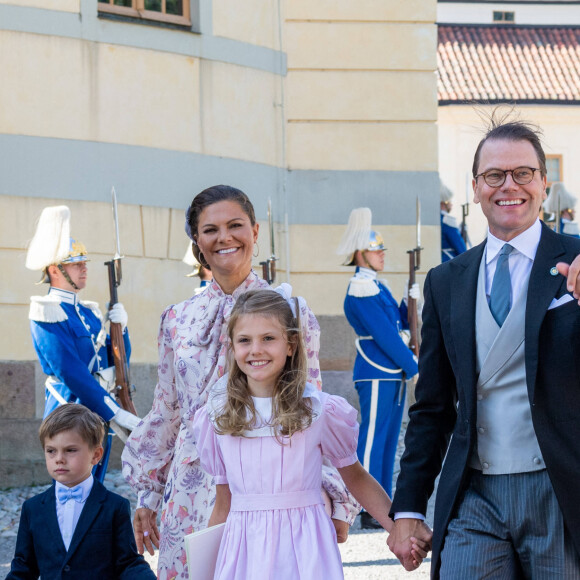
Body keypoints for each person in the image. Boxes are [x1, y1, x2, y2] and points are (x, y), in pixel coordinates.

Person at [122, 185, 360, 580]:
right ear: (196, 240)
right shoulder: (176, 319)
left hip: (267, 489)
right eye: (210, 229)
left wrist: (335, 498)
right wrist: (147, 493)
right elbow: (166, 408)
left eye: (235, 225)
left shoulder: (293, 311)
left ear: (255, 230)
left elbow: (312, 402)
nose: (224, 237)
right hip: (189, 490)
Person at [388, 118, 580, 578]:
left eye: (523, 173)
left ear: (544, 182)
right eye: (494, 175)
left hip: (561, 487)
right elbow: (432, 406)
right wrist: (409, 507)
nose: (508, 186)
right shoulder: (446, 281)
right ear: (475, 187)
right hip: (476, 494)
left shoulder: (576, 259)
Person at [192, 289, 428, 578]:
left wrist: (399, 530)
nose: (256, 349)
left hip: (305, 547)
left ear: (290, 345)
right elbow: (223, 502)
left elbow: (356, 477)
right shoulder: (219, 417)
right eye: (244, 340)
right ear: (232, 346)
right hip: (244, 550)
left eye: (268, 338)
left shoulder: (318, 410)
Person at [25, 205, 140, 482]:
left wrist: (121, 329)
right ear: (55, 270)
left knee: (95, 486)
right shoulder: (47, 311)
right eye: (76, 264)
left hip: (97, 413)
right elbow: (71, 373)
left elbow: (118, 360)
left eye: (84, 263)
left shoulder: (89, 312)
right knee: (71, 488)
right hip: (71, 412)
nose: (84, 269)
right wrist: (115, 412)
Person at [337, 207, 419, 529]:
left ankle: (381, 502)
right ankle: (364, 505)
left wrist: (407, 301)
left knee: (386, 439)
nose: (382, 254)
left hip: (389, 371)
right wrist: (412, 365)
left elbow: (397, 322)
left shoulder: (377, 285)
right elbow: (385, 335)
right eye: (376, 250)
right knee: (371, 439)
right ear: (361, 254)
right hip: (376, 369)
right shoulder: (361, 288)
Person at [7, 404, 155, 580]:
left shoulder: (115, 506)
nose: (59, 459)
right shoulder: (32, 509)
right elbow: (23, 568)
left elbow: (128, 562)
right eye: (51, 451)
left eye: (70, 450)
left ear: (96, 455)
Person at [440, 181, 467, 262]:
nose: (451, 205)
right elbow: (461, 249)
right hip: (449, 262)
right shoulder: (447, 220)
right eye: (449, 202)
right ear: (443, 203)